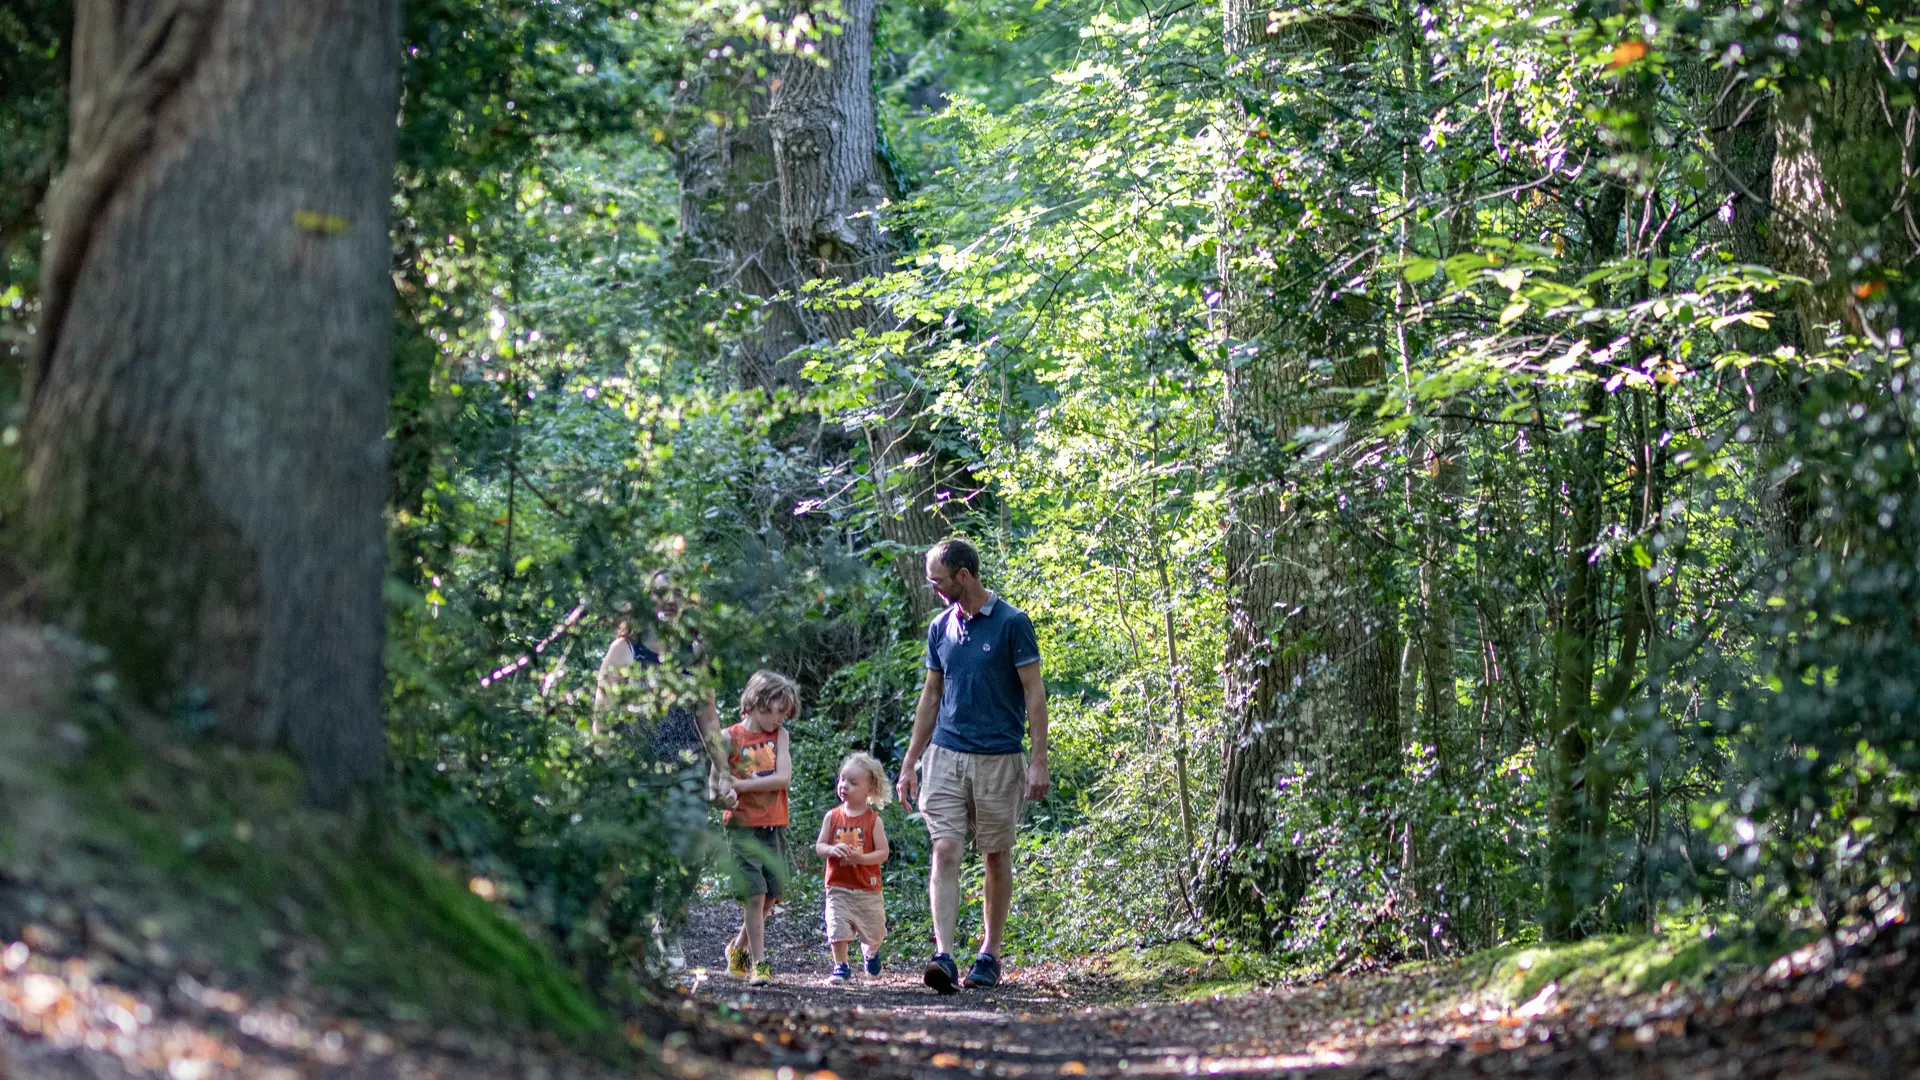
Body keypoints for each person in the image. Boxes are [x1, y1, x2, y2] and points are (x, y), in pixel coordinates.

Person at [895, 538, 1048, 994]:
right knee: (945, 847)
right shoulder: (940, 628)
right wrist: (910, 761)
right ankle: (943, 953)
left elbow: (1034, 695)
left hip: (1000, 756)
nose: (934, 588)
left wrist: (1038, 760)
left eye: (938, 580)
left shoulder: (1012, 624)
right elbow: (931, 696)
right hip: (945, 753)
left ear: (964, 575)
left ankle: (990, 954)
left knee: (995, 853)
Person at [721, 670, 802, 985]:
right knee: (755, 896)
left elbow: (783, 778)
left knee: (770, 897)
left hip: (774, 826)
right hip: (742, 827)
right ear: (755, 704)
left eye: (786, 713)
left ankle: (737, 950)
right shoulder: (730, 738)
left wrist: (741, 785)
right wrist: (727, 789)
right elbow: (717, 778)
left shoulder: (780, 736)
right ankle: (759, 964)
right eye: (778, 711)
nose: (781, 719)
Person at [814, 752, 891, 984]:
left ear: (870, 790)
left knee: (874, 931)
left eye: (853, 782)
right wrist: (831, 850)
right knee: (837, 928)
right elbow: (820, 846)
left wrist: (861, 858)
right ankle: (841, 966)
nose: (844, 786)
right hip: (838, 886)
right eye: (842, 779)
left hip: (867, 888)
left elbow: (883, 853)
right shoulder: (832, 816)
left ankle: (871, 953)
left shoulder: (873, 820)